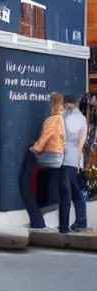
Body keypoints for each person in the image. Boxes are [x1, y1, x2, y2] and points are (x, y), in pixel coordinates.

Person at [20, 92, 69, 231]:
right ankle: (40, 218)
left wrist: (33, 149)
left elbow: (44, 139)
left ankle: (37, 221)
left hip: (49, 157)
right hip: (59, 157)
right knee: (45, 185)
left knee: (24, 181)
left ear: (51, 104)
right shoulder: (62, 119)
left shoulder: (52, 120)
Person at [63, 93, 88, 231]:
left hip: (71, 159)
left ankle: (81, 220)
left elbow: (81, 141)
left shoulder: (75, 118)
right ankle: (80, 220)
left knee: (74, 190)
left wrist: (76, 158)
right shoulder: (76, 117)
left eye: (67, 103)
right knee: (73, 190)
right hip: (71, 158)